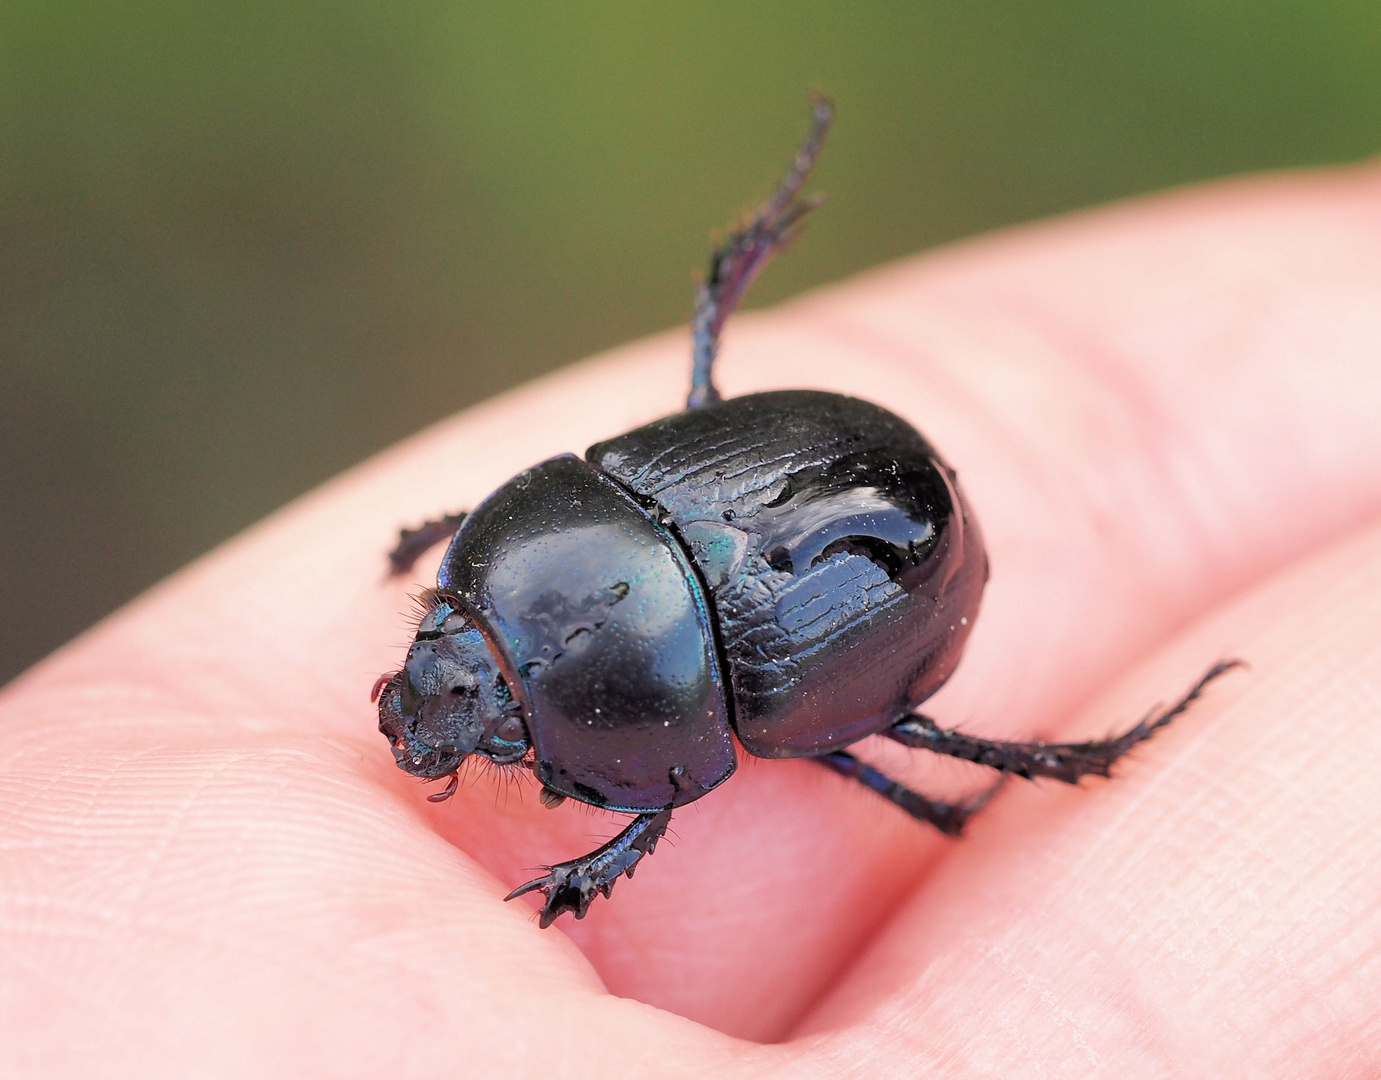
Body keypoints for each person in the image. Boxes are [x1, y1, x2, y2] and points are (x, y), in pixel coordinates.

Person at [2, 160, 1379, 1077]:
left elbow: (648, 805)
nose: (440, 699)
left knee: (882, 745)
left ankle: (1058, 769)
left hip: (847, 556)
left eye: (462, 657)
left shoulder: (610, 629)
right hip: (782, 527)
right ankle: (1025, 776)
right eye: (464, 659)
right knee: (885, 743)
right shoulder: (546, 545)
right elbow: (643, 782)